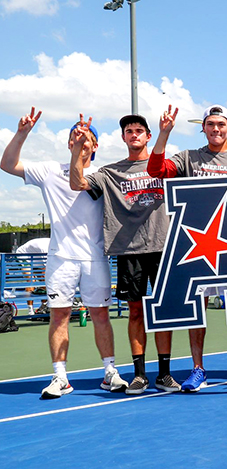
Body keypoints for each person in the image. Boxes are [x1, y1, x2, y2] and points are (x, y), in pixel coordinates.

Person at [1, 107, 126, 398]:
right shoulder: (48, 171)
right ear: (69, 143)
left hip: (95, 258)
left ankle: (110, 372)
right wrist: (22, 133)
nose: (80, 140)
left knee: (100, 315)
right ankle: (60, 378)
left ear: (96, 146)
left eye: (86, 138)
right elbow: (7, 164)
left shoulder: (103, 175)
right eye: (74, 136)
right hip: (60, 258)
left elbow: (80, 181)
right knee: (59, 316)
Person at [147, 104, 227, 392]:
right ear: (204, 127)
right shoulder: (190, 157)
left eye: (221, 124)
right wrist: (163, 134)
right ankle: (198, 368)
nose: (215, 129)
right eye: (210, 124)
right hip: (196, 245)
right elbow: (156, 169)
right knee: (196, 305)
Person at [69, 113, 179, 394]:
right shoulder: (110, 172)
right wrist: (78, 150)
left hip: (164, 247)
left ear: (148, 136)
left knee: (165, 313)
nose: (134, 134)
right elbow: (77, 182)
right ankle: (140, 374)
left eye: (139, 130)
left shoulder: (166, 167)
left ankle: (164, 374)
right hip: (130, 250)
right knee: (135, 312)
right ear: (123, 137)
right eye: (129, 131)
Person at [15, 237, 50, 316]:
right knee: (31, 281)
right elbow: (46, 271)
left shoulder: (55, 248)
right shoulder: (45, 249)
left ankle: (43, 306)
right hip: (24, 256)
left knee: (44, 282)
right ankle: (30, 310)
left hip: (36, 259)